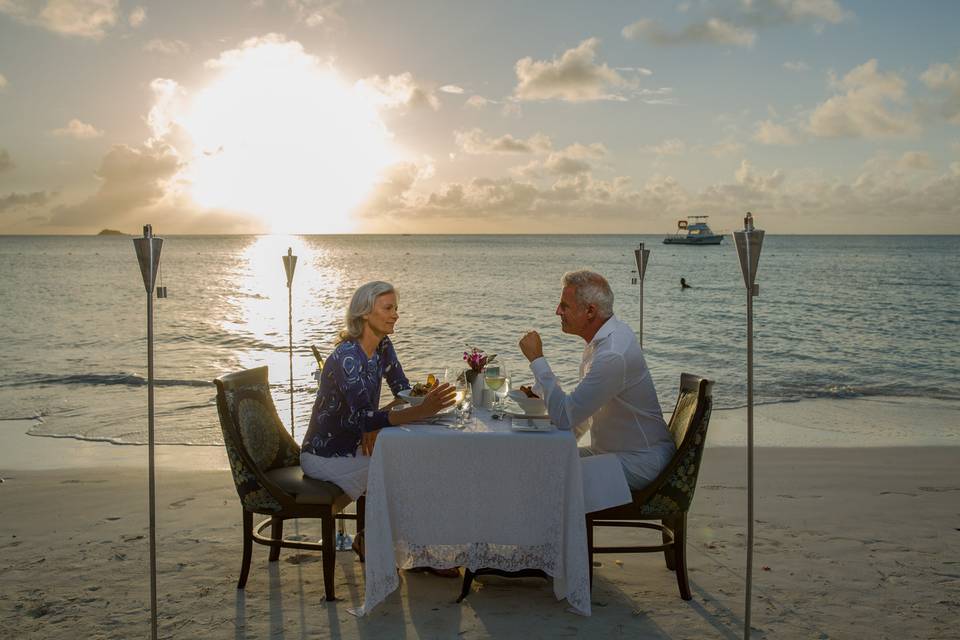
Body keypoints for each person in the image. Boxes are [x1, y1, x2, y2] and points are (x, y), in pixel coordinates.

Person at [301, 281, 457, 565]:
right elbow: (362, 416)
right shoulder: (347, 357)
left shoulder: (383, 346)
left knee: (420, 461)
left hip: (356, 444)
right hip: (326, 454)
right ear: (364, 313)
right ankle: (402, 547)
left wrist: (421, 402)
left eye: (395, 308)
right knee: (406, 470)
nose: (395, 314)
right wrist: (416, 413)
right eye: (387, 308)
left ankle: (389, 542)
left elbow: (402, 391)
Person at [518, 270, 675, 491]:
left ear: (590, 311)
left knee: (548, 479)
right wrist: (556, 444)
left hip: (640, 461)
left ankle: (556, 526)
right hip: (611, 453)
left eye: (565, 306)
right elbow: (583, 415)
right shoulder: (604, 342)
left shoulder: (613, 354)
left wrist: (537, 359)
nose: (557, 311)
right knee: (536, 463)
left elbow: (566, 416)